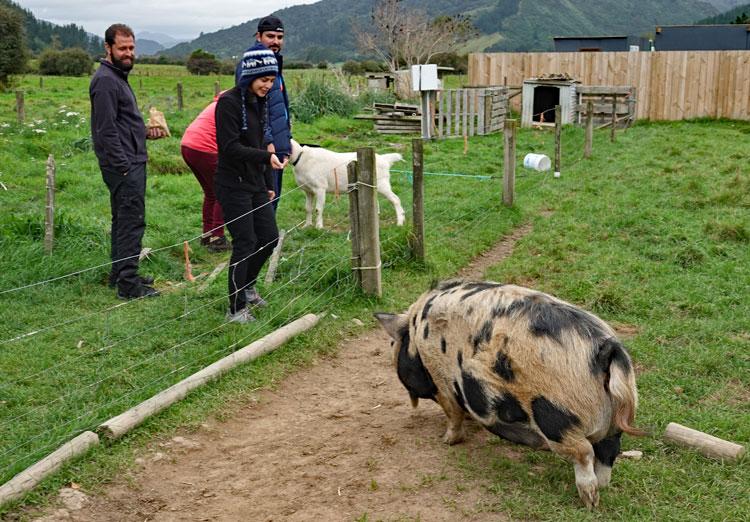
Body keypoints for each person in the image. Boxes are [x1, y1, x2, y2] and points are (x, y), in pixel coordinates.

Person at [89, 23, 166, 300]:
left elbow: (121, 125)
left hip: (128, 161)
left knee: (122, 220)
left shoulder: (118, 77)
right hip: (124, 166)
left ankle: (120, 274)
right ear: (108, 48)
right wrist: (123, 165)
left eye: (131, 48)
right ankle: (129, 286)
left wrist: (145, 132)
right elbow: (105, 130)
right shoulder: (107, 81)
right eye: (122, 48)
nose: (128, 53)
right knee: (132, 221)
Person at [216, 47, 287, 324]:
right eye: (263, 80)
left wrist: (268, 182)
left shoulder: (262, 102)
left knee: (269, 237)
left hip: (256, 181)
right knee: (245, 242)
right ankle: (234, 310)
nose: (267, 86)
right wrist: (266, 158)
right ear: (249, 76)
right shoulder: (229, 103)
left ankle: (247, 287)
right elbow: (230, 147)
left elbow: (260, 143)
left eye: (271, 81)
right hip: (232, 183)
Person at [236, 15, 292, 211]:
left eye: (279, 37)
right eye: (270, 36)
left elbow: (279, 109)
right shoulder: (253, 64)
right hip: (263, 147)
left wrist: (286, 142)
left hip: (278, 145)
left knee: (273, 198)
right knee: (263, 201)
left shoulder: (274, 63)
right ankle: (260, 242)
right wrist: (268, 142)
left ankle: (267, 241)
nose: (275, 42)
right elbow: (252, 109)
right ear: (258, 36)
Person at [180, 94, 231, 252]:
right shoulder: (232, 106)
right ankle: (217, 238)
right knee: (223, 190)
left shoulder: (218, 103)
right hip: (205, 148)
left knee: (211, 193)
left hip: (188, 145)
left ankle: (207, 235)